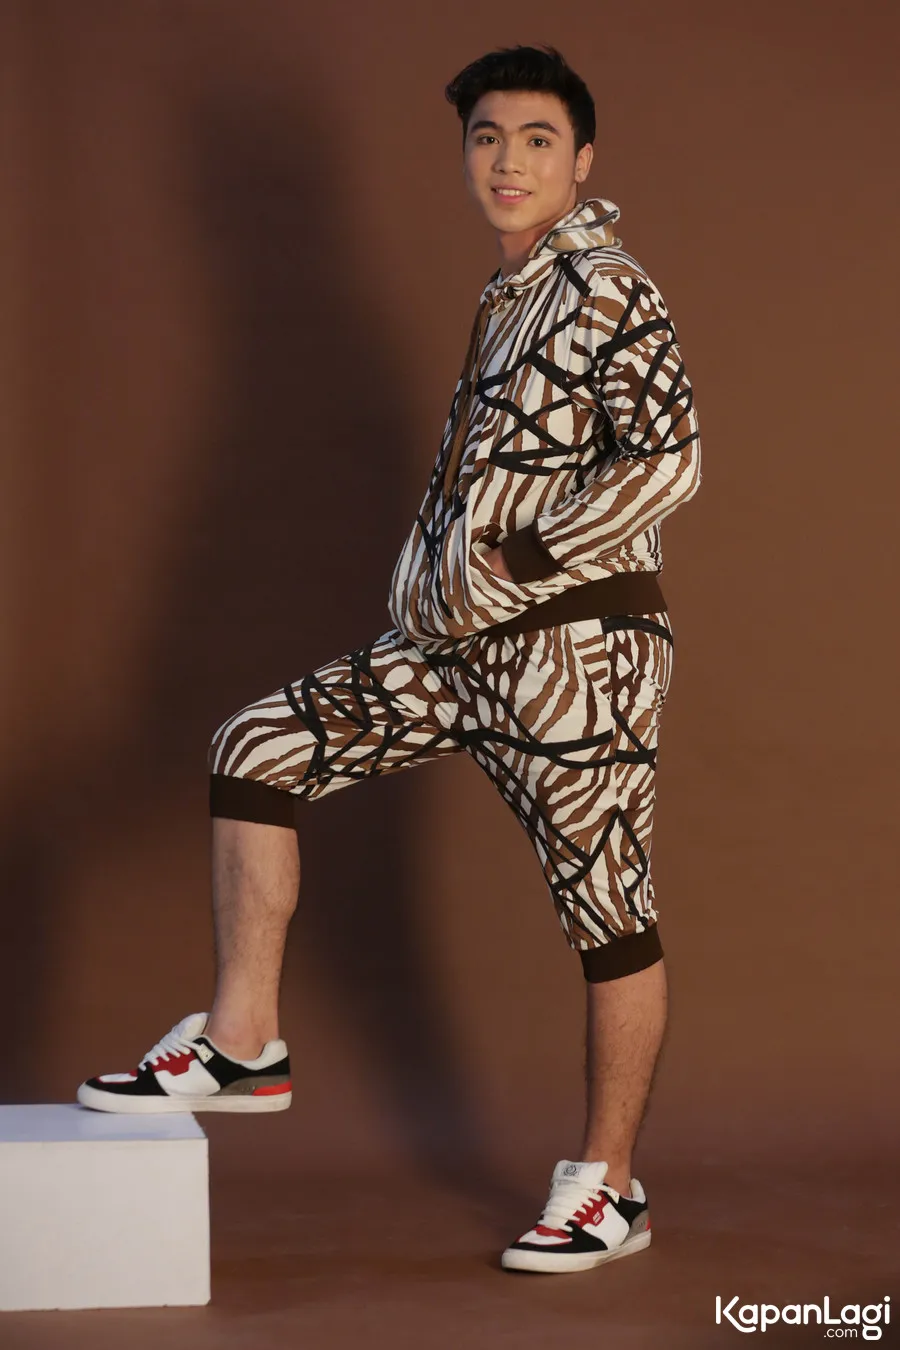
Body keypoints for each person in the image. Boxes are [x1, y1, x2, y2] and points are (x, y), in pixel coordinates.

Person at [76, 44, 701, 1275]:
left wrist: (522, 560)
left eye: (536, 139)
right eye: (486, 137)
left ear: (582, 161)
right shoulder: (506, 295)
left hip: (576, 653)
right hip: (454, 649)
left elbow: (671, 461)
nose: (507, 160)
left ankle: (610, 1186)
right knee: (257, 747)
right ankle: (243, 1039)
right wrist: (433, 588)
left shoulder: (608, 287)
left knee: (608, 913)